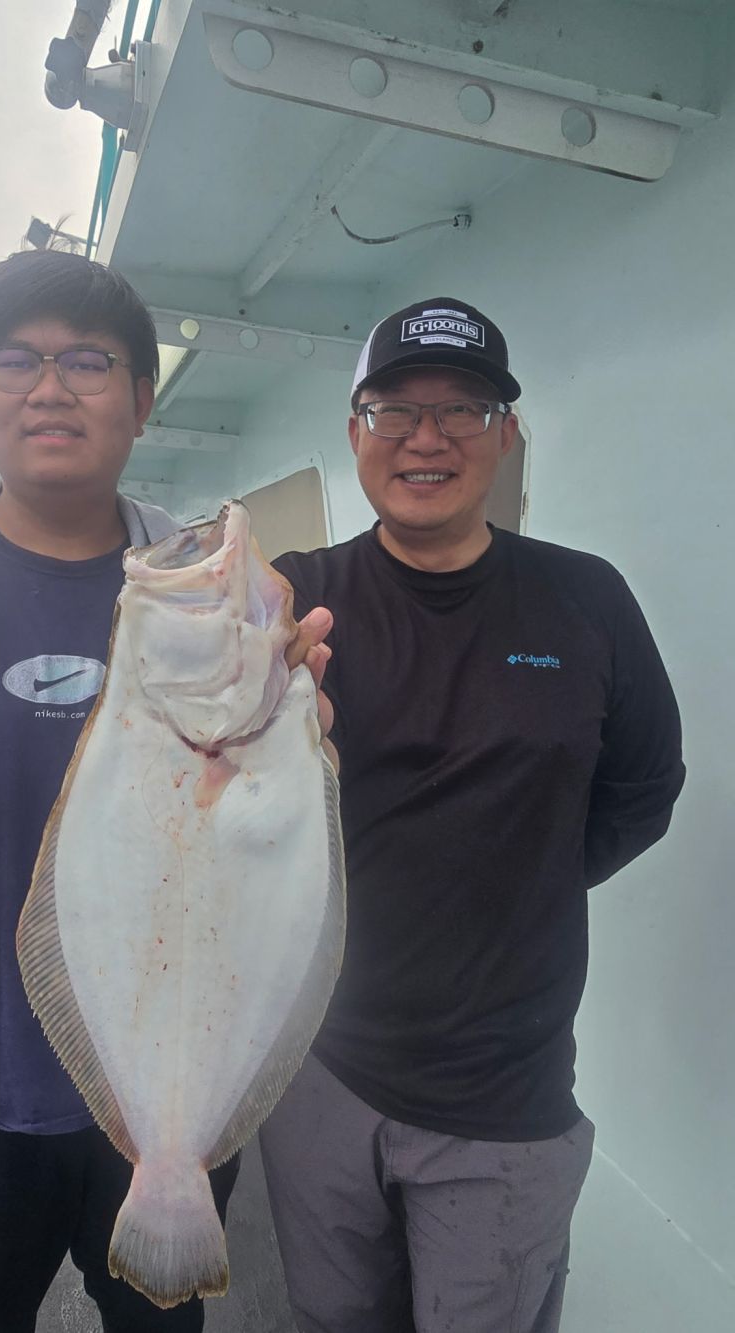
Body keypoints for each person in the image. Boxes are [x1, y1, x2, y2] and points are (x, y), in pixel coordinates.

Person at [0, 248, 330, 1333]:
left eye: (87, 360)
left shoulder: (210, 586)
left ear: (137, 400)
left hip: (171, 1089)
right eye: (14, 359)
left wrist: (304, 744)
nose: (47, 385)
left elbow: (273, 844)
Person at [260, 297, 686, 1333]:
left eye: (461, 408)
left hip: (508, 1083)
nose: (427, 436)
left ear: (504, 433)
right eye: (394, 409)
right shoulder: (291, 602)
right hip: (318, 1063)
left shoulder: (587, 600)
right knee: (332, 1319)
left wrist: (519, 875)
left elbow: (641, 789)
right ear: (356, 432)